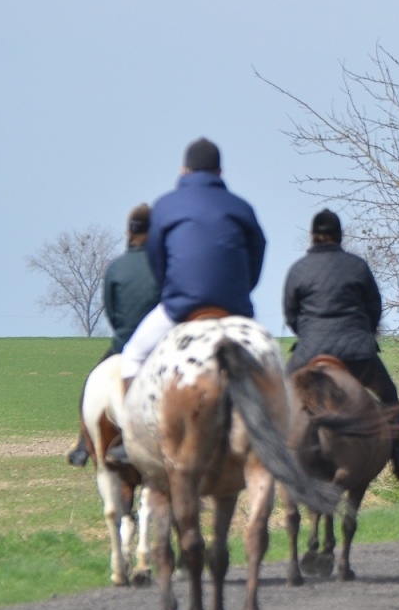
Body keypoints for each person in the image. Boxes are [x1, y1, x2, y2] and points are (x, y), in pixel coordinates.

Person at [118, 138, 266, 386]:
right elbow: (258, 251)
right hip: (234, 307)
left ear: (183, 170)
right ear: (220, 172)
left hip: (180, 306)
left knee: (132, 357)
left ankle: (133, 425)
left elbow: (156, 258)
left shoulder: (164, 206)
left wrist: (172, 289)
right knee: (268, 367)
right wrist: (240, 291)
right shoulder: (242, 208)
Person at [283, 209, 399, 480]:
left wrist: (308, 334)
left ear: (312, 236)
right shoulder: (357, 266)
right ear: (339, 235)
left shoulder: (298, 269)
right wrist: (366, 333)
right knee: (389, 396)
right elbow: (374, 308)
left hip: (310, 351)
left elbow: (290, 314)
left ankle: (273, 454)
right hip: (356, 353)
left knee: (280, 396)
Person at [66, 204, 161, 466]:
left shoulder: (115, 268)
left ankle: (83, 445)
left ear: (129, 232)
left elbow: (109, 309)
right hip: (158, 346)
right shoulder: (162, 266)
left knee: (90, 386)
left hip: (124, 344)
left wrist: (122, 333)